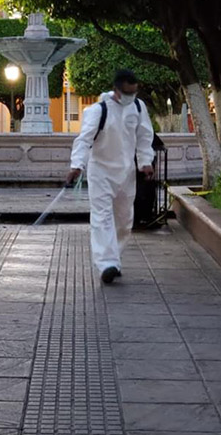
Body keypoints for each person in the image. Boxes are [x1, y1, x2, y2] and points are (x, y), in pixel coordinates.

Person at [66, 69, 154, 283]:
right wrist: (77, 165)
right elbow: (84, 139)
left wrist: (145, 162)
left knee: (124, 221)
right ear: (116, 90)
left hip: (127, 173)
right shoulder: (98, 110)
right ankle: (107, 264)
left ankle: (114, 259)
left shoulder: (138, 107)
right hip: (101, 173)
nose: (131, 96)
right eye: (127, 92)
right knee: (102, 217)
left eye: (134, 92)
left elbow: (144, 136)